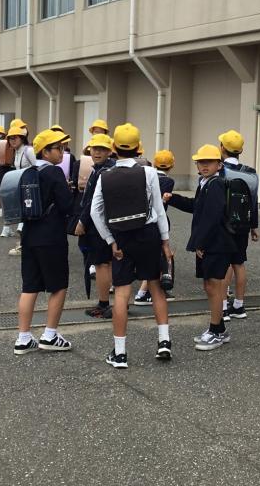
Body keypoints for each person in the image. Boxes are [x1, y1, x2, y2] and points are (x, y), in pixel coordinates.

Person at [91, 123, 173, 369]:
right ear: (138, 148)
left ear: (114, 148)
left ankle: (120, 354)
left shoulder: (104, 176)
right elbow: (158, 209)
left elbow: (96, 212)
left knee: (122, 293)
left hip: (121, 238)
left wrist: (110, 240)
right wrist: (165, 240)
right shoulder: (149, 172)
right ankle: (164, 341)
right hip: (148, 234)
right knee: (156, 287)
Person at [167, 145, 237, 351]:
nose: (204, 165)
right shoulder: (207, 183)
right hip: (214, 243)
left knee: (214, 287)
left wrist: (201, 243)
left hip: (216, 244)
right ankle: (219, 329)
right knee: (210, 286)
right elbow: (196, 206)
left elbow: (212, 217)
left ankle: (216, 331)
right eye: (201, 162)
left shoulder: (215, 185)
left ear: (219, 165)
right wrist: (174, 198)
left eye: (209, 162)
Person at [13, 128, 75, 355]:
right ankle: (50, 335)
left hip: (29, 235)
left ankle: (23, 338)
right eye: (58, 148)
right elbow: (67, 206)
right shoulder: (55, 173)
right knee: (58, 286)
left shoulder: (28, 173)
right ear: (45, 152)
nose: (62, 152)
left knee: (30, 287)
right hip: (51, 236)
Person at [218, 130, 259, 322]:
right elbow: (254, 201)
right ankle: (239, 305)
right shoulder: (251, 173)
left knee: (224, 264)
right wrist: (254, 226)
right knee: (239, 263)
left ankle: (222, 308)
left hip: (224, 224)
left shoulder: (220, 171)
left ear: (222, 148)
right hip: (243, 224)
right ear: (240, 150)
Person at [74, 133, 115, 319]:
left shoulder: (103, 171)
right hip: (109, 223)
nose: (97, 152)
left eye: (102, 149)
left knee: (101, 264)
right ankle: (114, 303)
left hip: (99, 224)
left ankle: (104, 303)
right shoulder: (104, 168)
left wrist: (82, 221)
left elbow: (93, 202)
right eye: (94, 149)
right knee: (109, 263)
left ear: (110, 151)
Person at [134, 150, 176, 305]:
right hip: (158, 221)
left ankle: (146, 292)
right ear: (171, 165)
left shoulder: (145, 175)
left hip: (142, 221)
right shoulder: (168, 181)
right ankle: (143, 293)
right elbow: (161, 205)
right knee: (159, 258)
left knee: (151, 257)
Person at [4, 123, 36, 249]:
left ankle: (24, 245)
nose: (12, 141)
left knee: (27, 216)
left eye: (15, 138)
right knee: (23, 215)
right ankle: (24, 244)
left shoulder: (29, 150)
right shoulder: (16, 151)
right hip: (21, 187)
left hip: (30, 188)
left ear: (22, 138)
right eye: (10, 138)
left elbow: (37, 168)